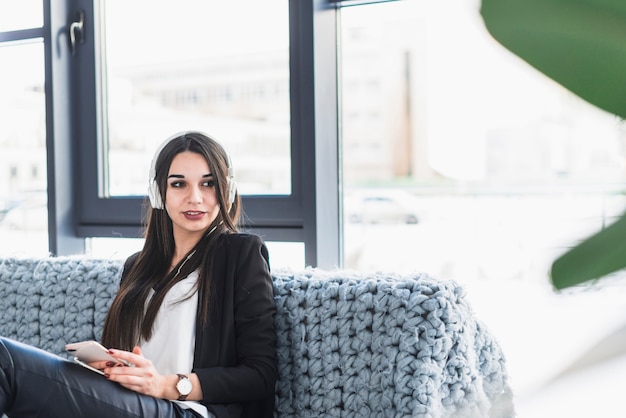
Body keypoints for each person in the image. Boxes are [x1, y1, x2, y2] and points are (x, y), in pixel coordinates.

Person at [0, 131, 278, 418]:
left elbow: (260, 375)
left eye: (208, 184)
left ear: (226, 191)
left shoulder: (240, 254)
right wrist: (113, 370)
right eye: (179, 184)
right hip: (132, 405)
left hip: (190, 412)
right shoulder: (137, 267)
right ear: (159, 193)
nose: (195, 198)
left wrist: (166, 385)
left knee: (5, 360)